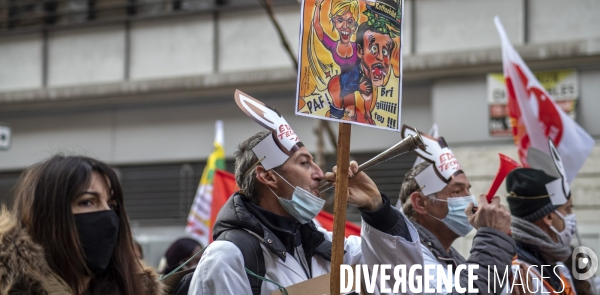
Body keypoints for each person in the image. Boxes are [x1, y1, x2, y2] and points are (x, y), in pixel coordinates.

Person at [187, 90, 424, 295]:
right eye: (304, 163)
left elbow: (404, 283)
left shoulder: (332, 247)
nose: (320, 173)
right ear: (268, 176)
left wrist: (377, 210)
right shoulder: (228, 259)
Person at [0, 154, 164, 295]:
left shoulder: (135, 289)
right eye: (87, 202)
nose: (108, 215)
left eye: (112, 205)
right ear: (48, 216)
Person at [398, 126, 516, 294]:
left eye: (468, 189)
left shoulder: (450, 258)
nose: (470, 200)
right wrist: (492, 236)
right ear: (421, 203)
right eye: (457, 191)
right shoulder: (410, 256)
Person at [506, 167, 579, 295]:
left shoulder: (555, 264)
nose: (571, 215)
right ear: (549, 217)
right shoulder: (518, 273)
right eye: (567, 210)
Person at [311, 0, 361, 119]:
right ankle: (337, 113)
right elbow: (317, 26)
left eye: (350, 21)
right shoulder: (333, 46)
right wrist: (319, 2)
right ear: (333, 21)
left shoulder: (358, 47)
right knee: (335, 87)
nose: (345, 26)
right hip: (340, 85)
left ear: (355, 25)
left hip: (353, 84)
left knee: (350, 109)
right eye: (340, 20)